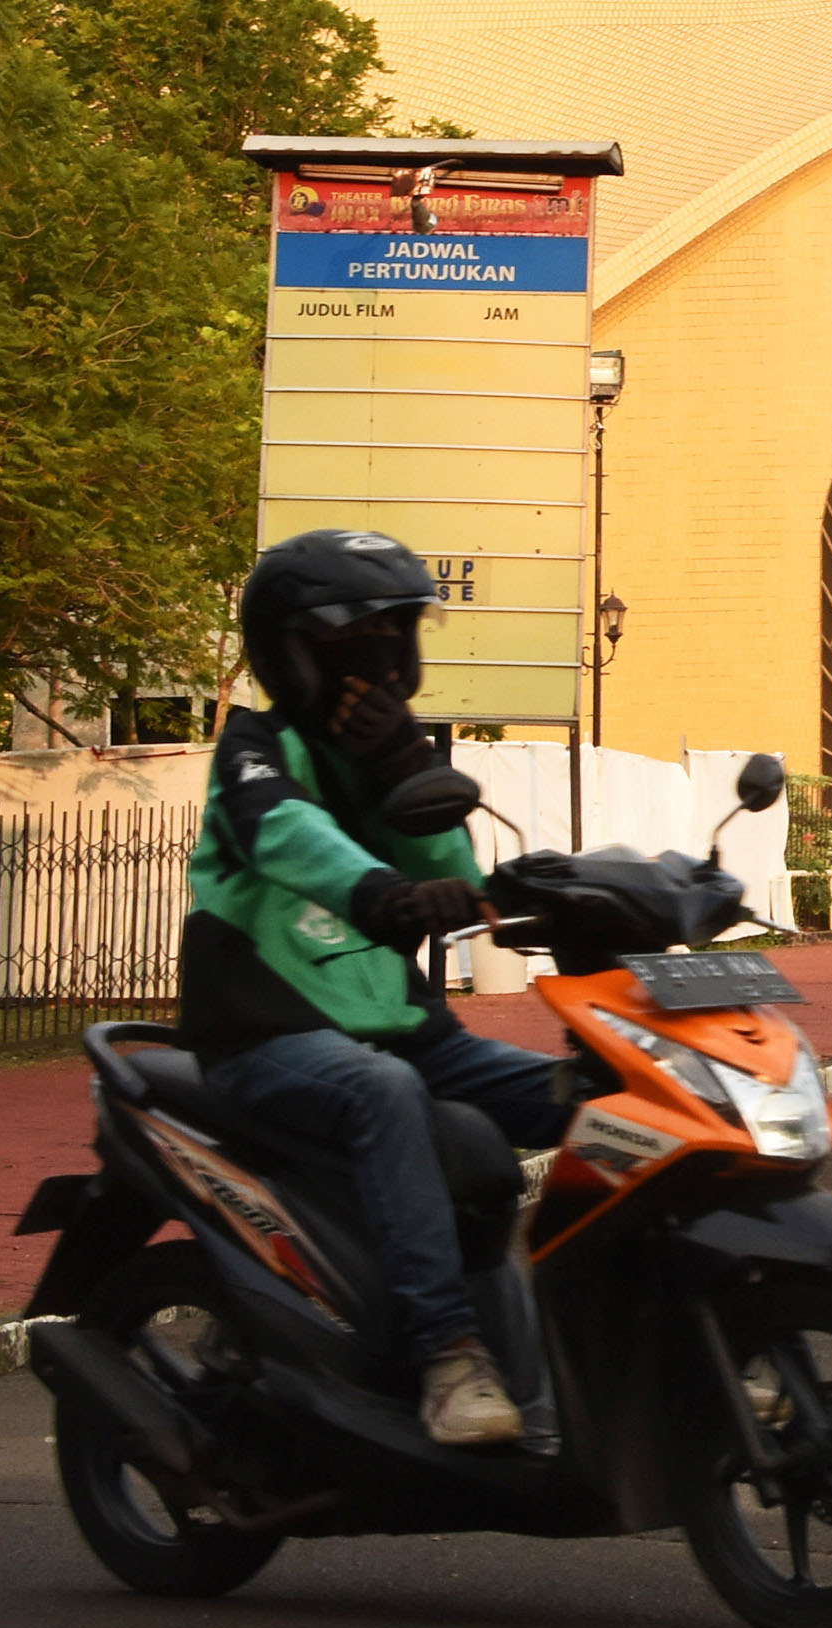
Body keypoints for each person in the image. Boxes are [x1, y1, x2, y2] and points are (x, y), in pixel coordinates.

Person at [179, 529, 568, 1447]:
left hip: (412, 1034)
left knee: (598, 1091)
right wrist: (381, 894)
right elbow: (287, 837)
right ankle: (446, 1356)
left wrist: (406, 767)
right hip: (268, 1039)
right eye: (356, 648)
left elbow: (455, 868)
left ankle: (649, 1317)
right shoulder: (254, 751)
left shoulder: (387, 759)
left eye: (393, 647)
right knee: (385, 1093)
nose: (380, 671)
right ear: (292, 656)